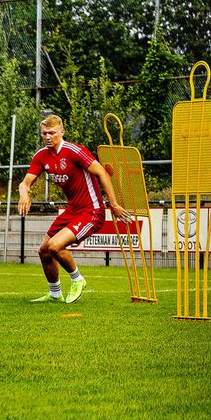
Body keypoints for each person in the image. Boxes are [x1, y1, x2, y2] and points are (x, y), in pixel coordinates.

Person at [18, 115, 132, 304]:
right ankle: (55, 294)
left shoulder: (76, 151)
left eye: (52, 133)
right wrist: (24, 193)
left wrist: (113, 204)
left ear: (62, 132)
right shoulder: (41, 156)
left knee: (55, 246)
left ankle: (77, 279)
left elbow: (102, 173)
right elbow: (25, 183)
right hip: (73, 210)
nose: (47, 137)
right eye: (44, 133)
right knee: (44, 251)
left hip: (92, 210)